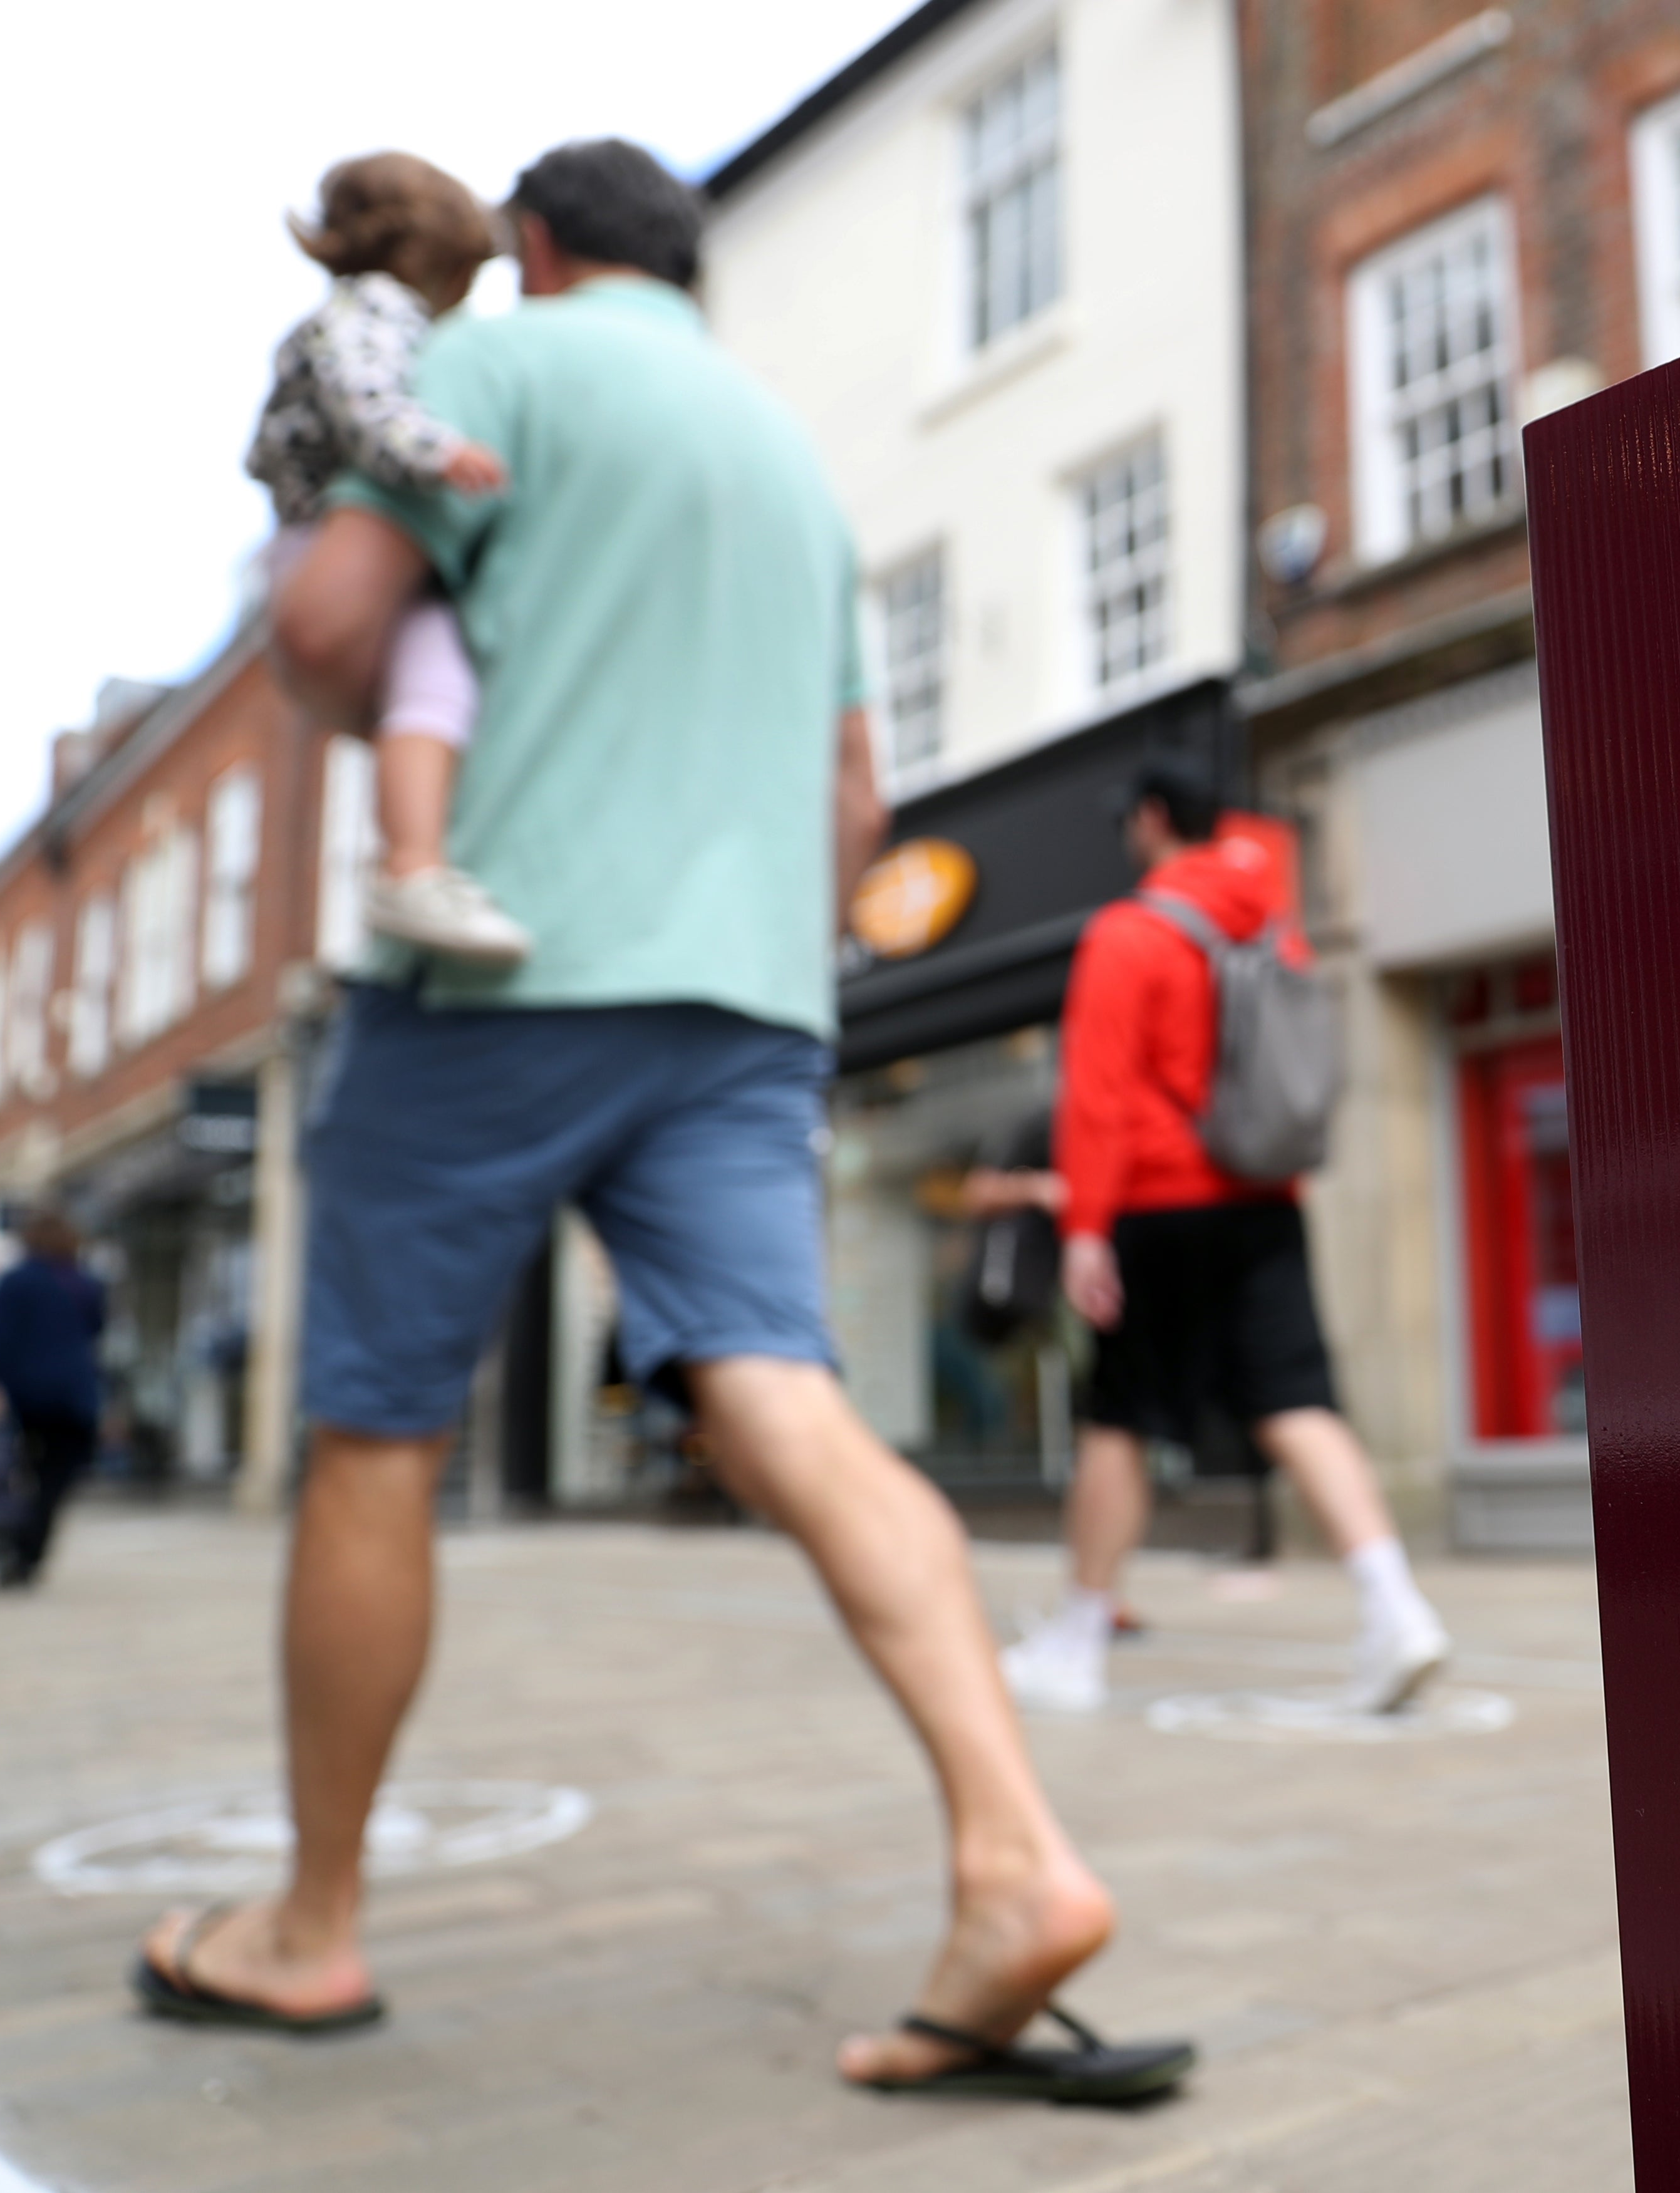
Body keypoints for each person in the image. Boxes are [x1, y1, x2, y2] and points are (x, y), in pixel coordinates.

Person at [133, 140, 1188, 2106]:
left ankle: (312, 1926)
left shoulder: (500, 368)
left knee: (376, 1428)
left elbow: (329, 626)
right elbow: (855, 803)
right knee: (782, 1396)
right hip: (748, 996)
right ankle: (1012, 1855)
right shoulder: (793, 470)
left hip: (506, 961)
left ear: (534, 254)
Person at [998, 763, 1451, 1716]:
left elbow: (1098, 1096)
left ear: (1155, 820)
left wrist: (1085, 1230)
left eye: (1131, 819)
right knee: (1297, 1400)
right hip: (1264, 1196)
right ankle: (1396, 1607)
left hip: (1160, 1203)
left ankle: (1077, 1644)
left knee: (1119, 1421)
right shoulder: (1269, 921)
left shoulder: (1131, 932)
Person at [249, 151, 529, 967]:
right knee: (436, 685)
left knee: (431, 697)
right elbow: (364, 399)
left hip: (314, 538)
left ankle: (418, 858)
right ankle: (412, 866)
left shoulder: (370, 313)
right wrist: (438, 452)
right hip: (325, 541)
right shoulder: (373, 311)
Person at [0, 1205, 108, 1588]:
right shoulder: (86, 1282)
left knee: (23, 1472)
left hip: (26, 1392)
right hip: (74, 1393)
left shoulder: (14, 1281)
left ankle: (19, 1542)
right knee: (56, 1475)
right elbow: (97, 1330)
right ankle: (29, 1546)